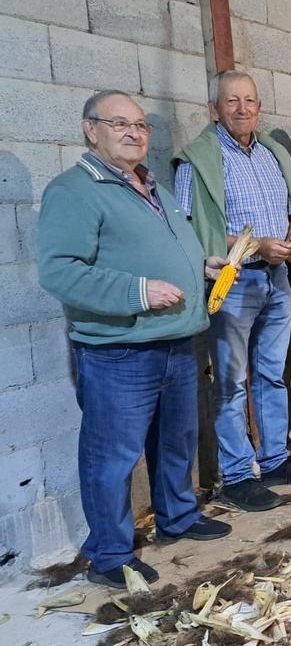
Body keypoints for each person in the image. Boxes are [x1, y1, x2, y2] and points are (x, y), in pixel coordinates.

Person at [37, 90, 232, 589]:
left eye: (141, 126)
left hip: (176, 342)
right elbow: (60, 273)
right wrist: (137, 291)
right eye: (119, 123)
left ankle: (178, 517)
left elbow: (166, 249)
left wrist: (201, 266)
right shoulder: (74, 191)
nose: (133, 133)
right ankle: (109, 554)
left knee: (176, 442)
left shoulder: (154, 188)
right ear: (90, 129)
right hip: (119, 350)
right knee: (113, 456)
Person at [174, 71, 291, 512]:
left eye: (249, 101)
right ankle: (239, 474)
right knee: (230, 381)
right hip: (235, 280)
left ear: (259, 108)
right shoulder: (198, 161)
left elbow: (286, 214)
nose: (242, 109)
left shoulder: (272, 155)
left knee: (271, 374)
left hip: (277, 279)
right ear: (214, 109)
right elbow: (189, 228)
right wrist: (256, 246)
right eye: (231, 101)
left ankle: (275, 458)